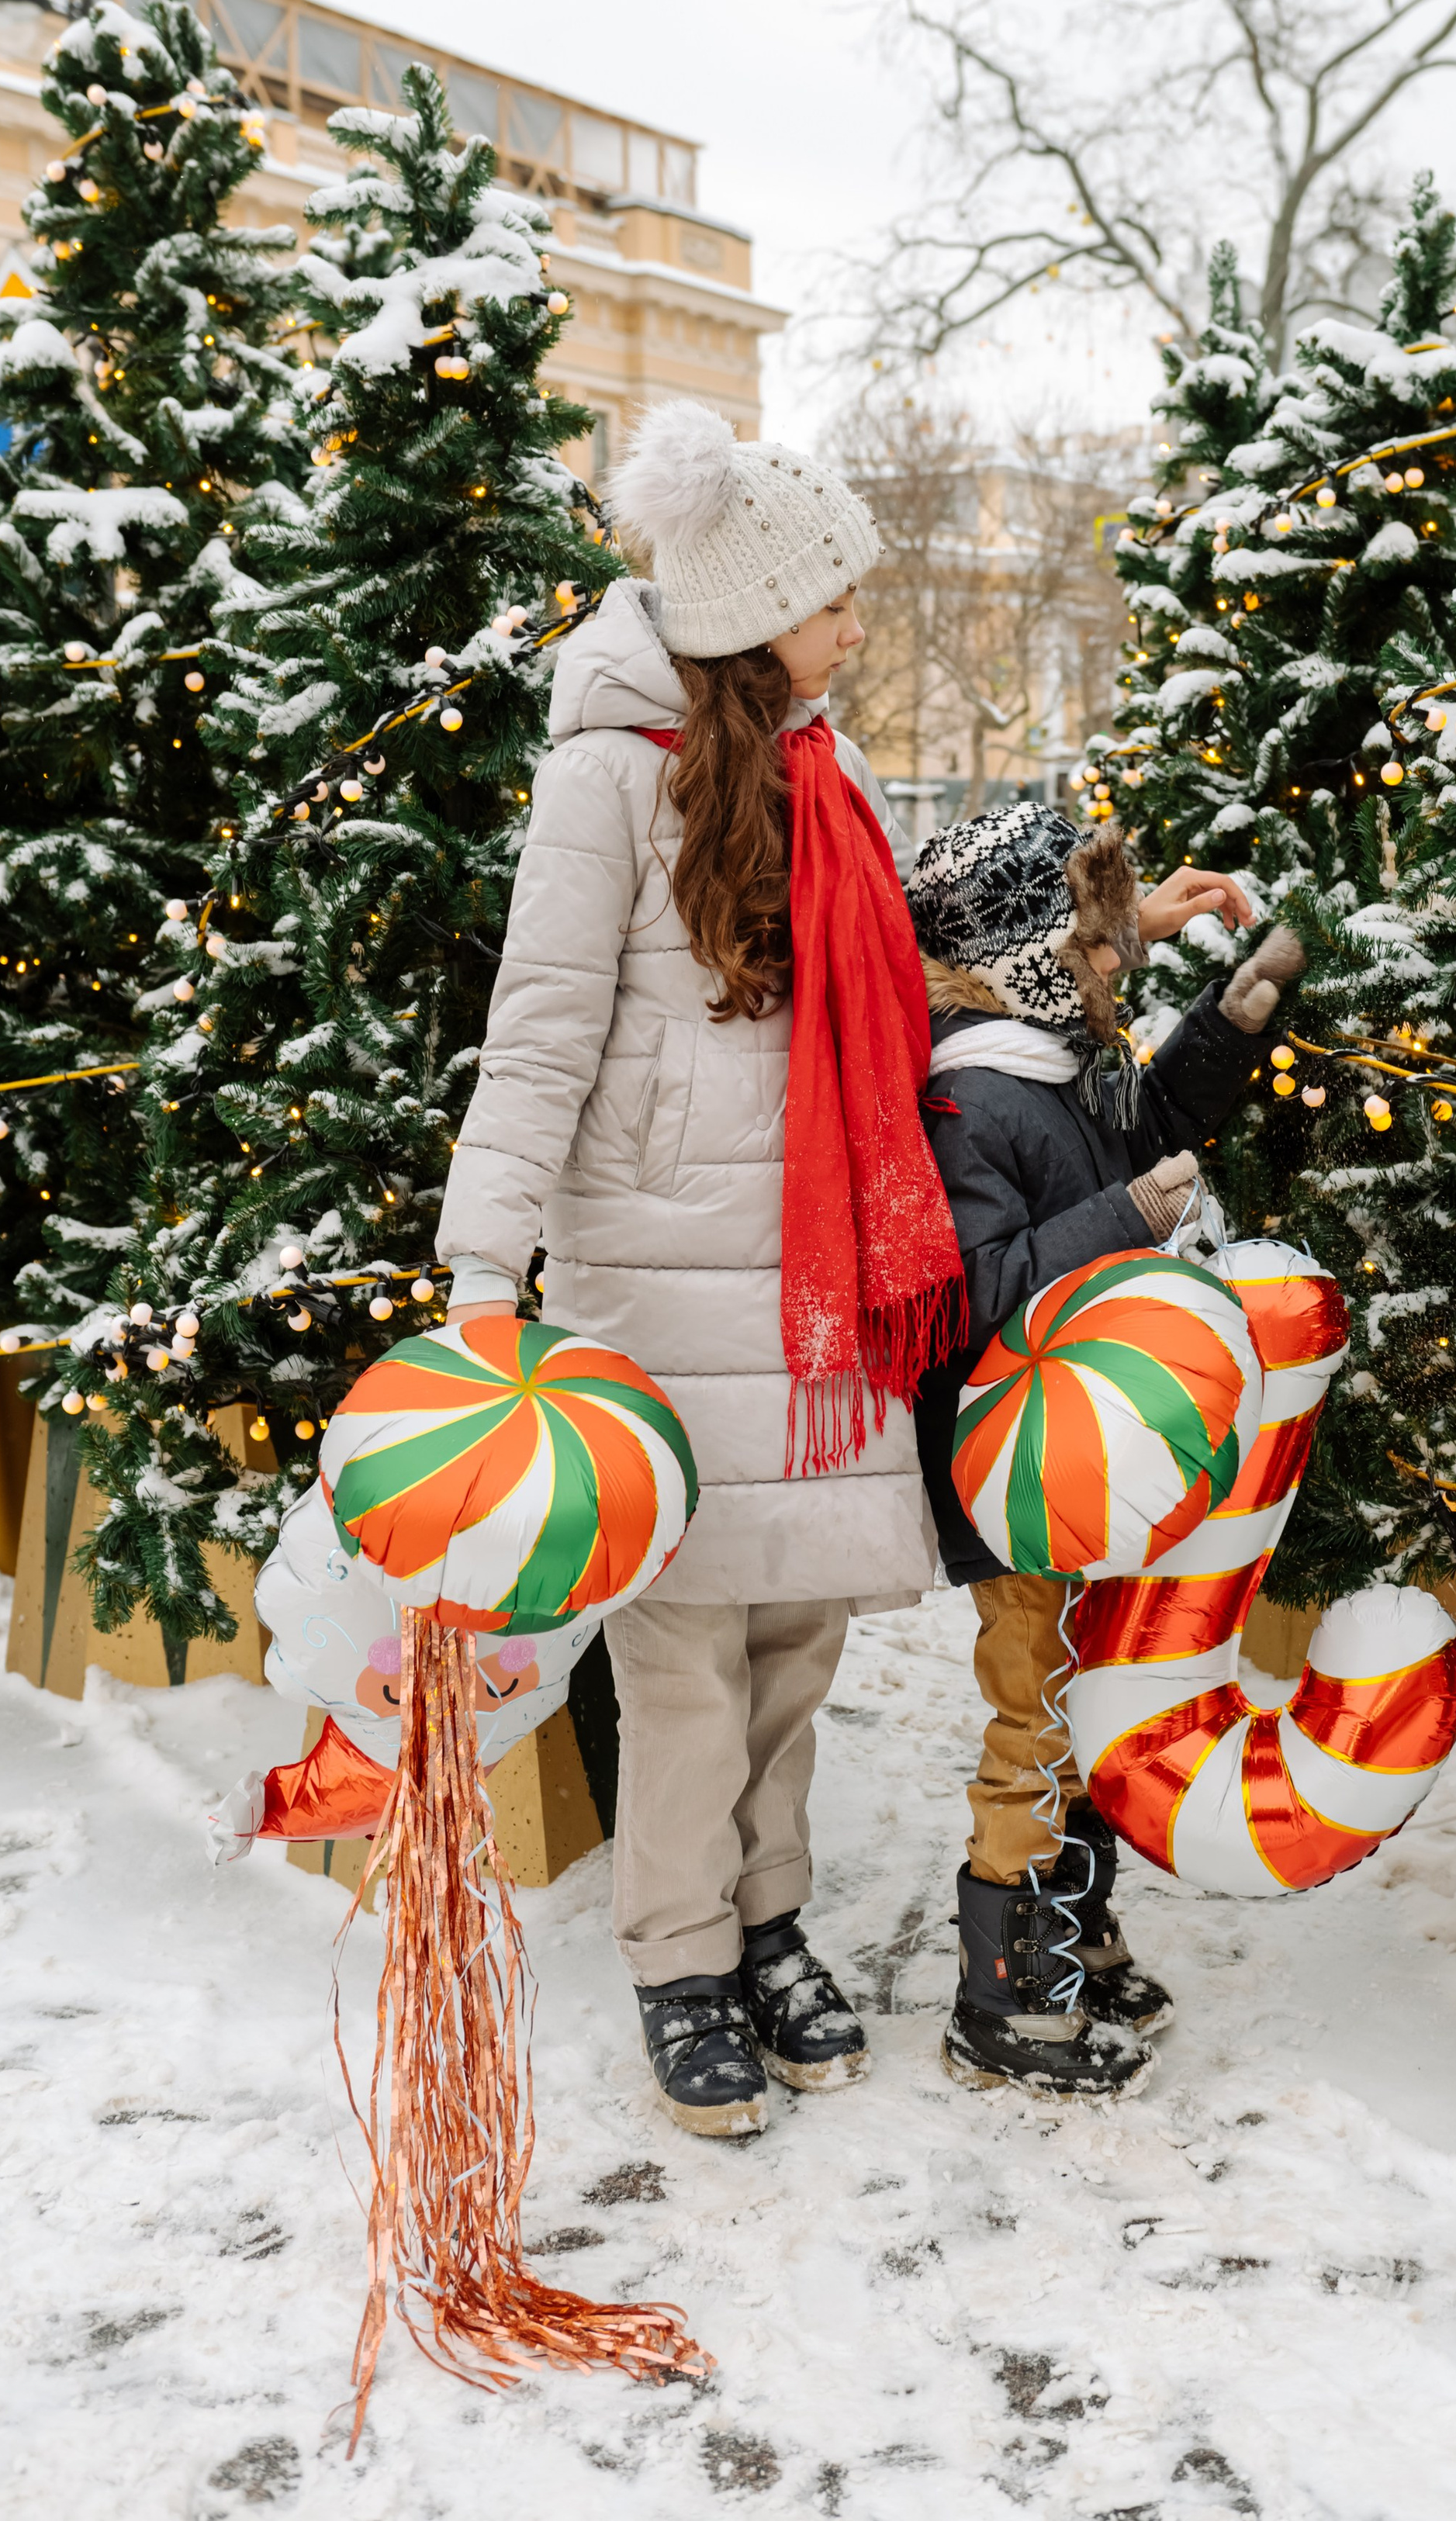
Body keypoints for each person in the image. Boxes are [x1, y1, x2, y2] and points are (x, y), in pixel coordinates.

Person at [437, 400, 963, 2139]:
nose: (857, 623)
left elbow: (897, 978)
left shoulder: (829, 770)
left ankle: (766, 1916)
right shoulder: (603, 781)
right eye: (834, 597)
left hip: (817, 1272)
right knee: (682, 1652)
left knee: (798, 1634)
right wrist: (481, 1264)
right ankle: (676, 1957)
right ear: (750, 610)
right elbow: (536, 1035)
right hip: (659, 1274)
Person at [905, 800, 1305, 2098]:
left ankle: (1071, 1930)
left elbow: (1152, 1132)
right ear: (1028, 952)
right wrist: (1126, 1217)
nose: (1118, 957)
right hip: (1019, 1470)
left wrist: (1233, 1023)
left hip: (1095, 1454)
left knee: (1087, 1698)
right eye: (1093, 938)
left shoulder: (1060, 1056)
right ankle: (1005, 1990)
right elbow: (976, 1291)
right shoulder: (974, 1096)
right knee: (1035, 1716)